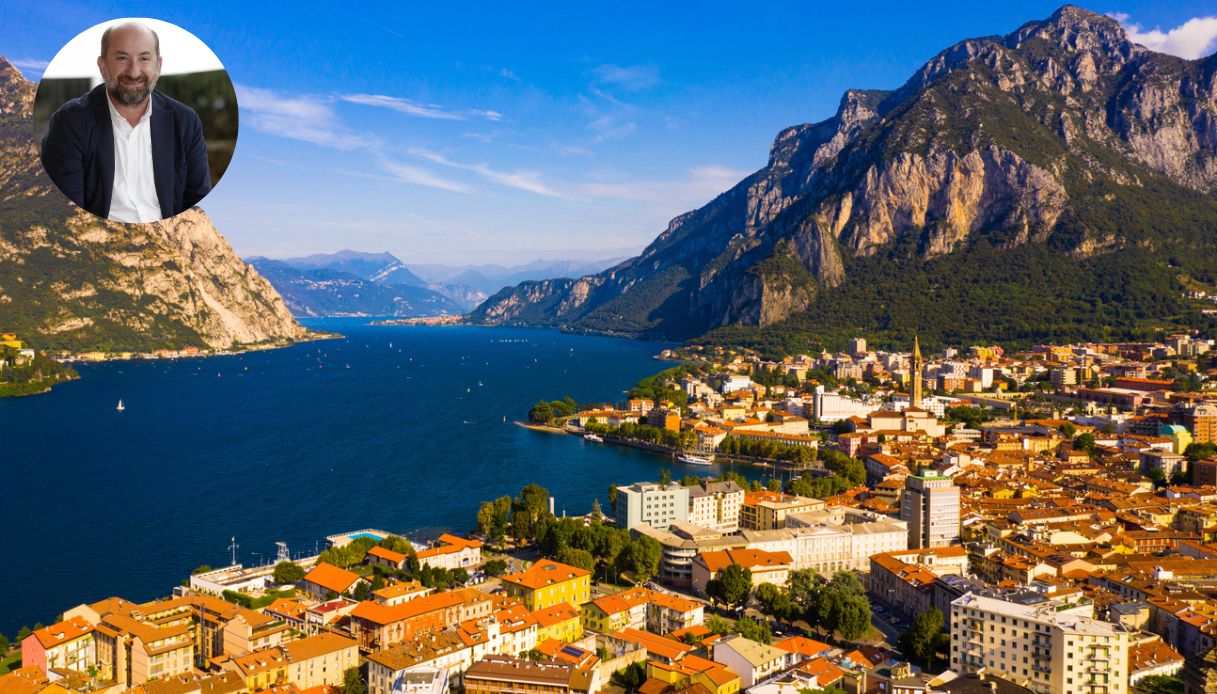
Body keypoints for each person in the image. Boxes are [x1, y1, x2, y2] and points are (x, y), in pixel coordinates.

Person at [40, 21, 211, 223]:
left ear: (159, 65)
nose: (133, 71)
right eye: (122, 58)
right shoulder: (70, 122)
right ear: (103, 65)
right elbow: (68, 214)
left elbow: (197, 203)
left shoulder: (185, 121)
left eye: (144, 58)